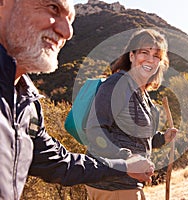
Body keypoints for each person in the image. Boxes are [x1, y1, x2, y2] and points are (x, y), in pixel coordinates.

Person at [0, 0, 154, 199]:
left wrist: (124, 166)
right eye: (53, 8)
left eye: (70, 20)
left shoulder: (27, 103)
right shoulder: (116, 85)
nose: (67, 31)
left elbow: (60, 164)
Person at [84, 28, 178, 200]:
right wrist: (128, 159)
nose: (150, 59)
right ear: (132, 55)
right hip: (112, 184)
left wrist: (162, 138)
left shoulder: (141, 93)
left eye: (156, 56)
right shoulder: (117, 84)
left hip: (129, 183)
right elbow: (95, 129)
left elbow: (137, 137)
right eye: (144, 52)